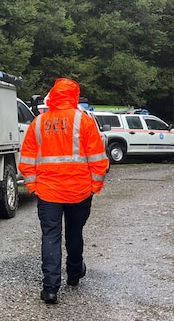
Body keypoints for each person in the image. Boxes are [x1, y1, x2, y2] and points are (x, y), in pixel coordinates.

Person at [18, 78, 109, 304]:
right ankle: (75, 274)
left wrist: (33, 186)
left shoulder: (38, 123)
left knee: (51, 236)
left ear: (53, 96)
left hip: (48, 193)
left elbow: (26, 160)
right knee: (75, 233)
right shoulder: (84, 122)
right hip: (80, 191)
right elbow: (98, 158)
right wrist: (95, 186)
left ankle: (50, 289)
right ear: (74, 96)